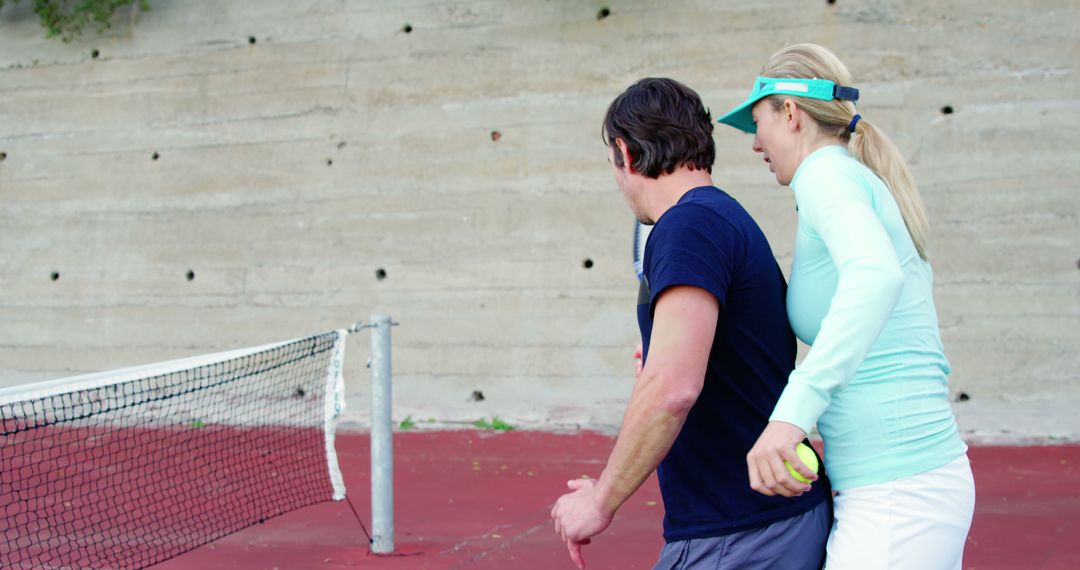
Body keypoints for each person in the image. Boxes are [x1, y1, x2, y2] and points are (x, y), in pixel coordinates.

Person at [550, 77, 831, 569]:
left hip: (740, 533)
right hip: (758, 523)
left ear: (625, 152)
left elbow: (672, 389)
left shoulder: (688, 226)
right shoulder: (718, 218)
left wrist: (599, 502)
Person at [716, 43, 975, 569]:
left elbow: (875, 276)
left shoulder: (825, 176)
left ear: (789, 113)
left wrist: (791, 417)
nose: (754, 144)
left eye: (757, 122)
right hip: (896, 486)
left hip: (900, 494)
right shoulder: (846, 176)